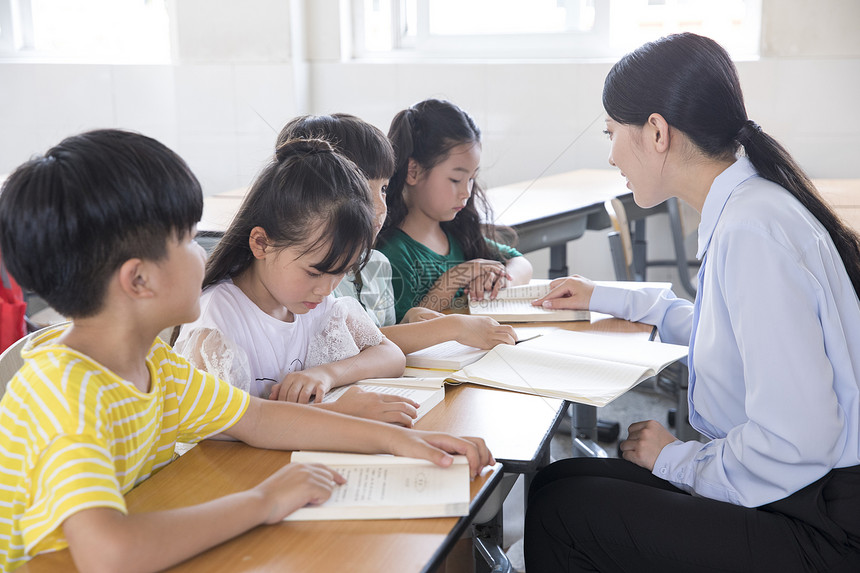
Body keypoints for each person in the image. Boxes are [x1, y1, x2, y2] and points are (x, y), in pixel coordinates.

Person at [0, 129, 493, 572]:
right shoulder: (68, 394)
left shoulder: (153, 366)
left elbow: (257, 418)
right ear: (138, 279)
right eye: (188, 239)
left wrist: (400, 442)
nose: (203, 254)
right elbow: (109, 555)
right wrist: (263, 500)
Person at [525, 33, 860, 572]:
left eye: (612, 133)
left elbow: (799, 440)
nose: (611, 154)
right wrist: (606, 295)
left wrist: (676, 459)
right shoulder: (752, 206)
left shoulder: (752, 232)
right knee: (561, 479)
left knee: (562, 512)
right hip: (810, 492)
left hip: (824, 521)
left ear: (656, 132)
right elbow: (720, 331)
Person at [172, 137, 420, 425]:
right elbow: (224, 429)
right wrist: (336, 414)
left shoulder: (311, 302)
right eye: (314, 272)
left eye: (341, 272)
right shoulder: (218, 318)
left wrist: (326, 373)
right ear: (261, 244)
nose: (327, 289)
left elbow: (392, 356)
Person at [276, 113, 517, 354]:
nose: (381, 207)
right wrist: (452, 327)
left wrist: (410, 320)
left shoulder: (377, 264)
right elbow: (348, 344)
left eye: (383, 189)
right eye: (360, 190)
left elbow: (381, 342)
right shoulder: (314, 277)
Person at [377, 98, 533, 323]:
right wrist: (455, 278)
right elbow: (405, 330)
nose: (467, 192)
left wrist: (500, 281)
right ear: (413, 171)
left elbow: (521, 263)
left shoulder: (458, 234)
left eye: (471, 179)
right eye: (456, 179)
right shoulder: (393, 252)